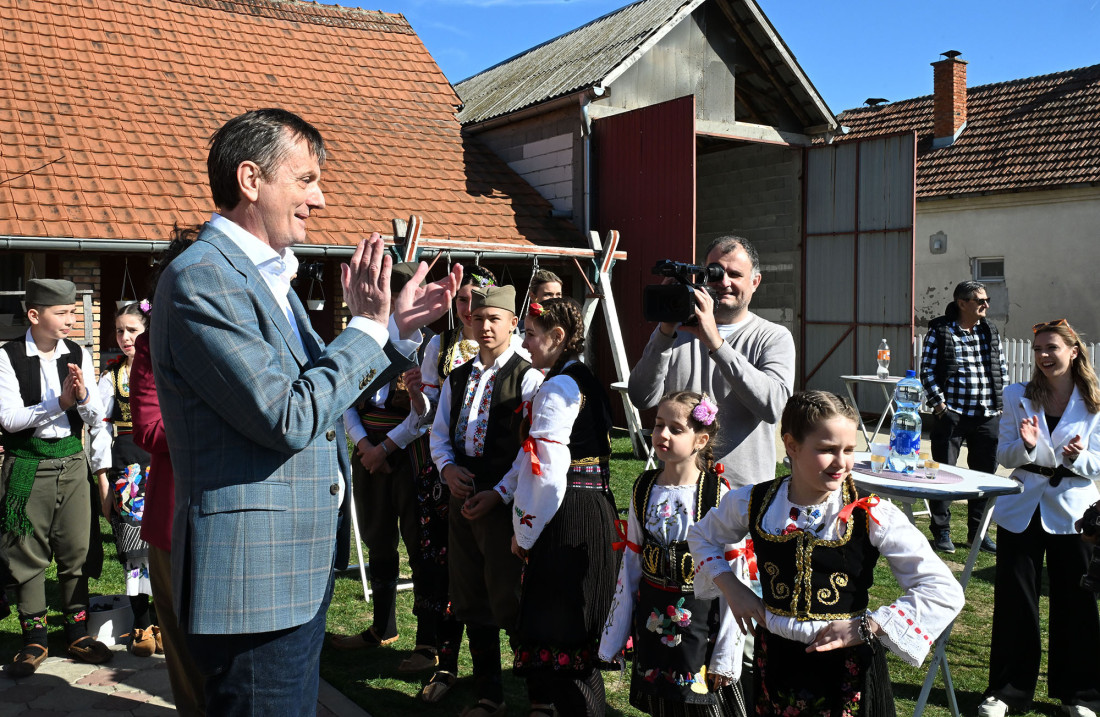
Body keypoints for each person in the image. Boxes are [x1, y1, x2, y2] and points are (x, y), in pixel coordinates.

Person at [150, 108, 461, 714]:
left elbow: (323, 391)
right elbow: (288, 416)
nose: (319, 199)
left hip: (290, 568)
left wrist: (393, 331)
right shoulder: (204, 280)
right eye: (307, 179)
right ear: (250, 179)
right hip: (254, 580)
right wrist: (369, 327)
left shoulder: (267, 278)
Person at [689, 390, 965, 716]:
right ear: (791, 445)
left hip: (846, 669)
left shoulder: (869, 513)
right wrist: (733, 589)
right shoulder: (755, 502)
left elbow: (943, 589)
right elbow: (702, 536)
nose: (841, 462)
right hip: (775, 659)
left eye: (849, 450)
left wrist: (868, 626)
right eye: (827, 450)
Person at [484, 297, 618, 716]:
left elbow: (547, 470)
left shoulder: (559, 386)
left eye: (530, 334)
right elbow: (533, 457)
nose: (525, 344)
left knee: (564, 637)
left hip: (568, 515)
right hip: (589, 505)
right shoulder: (578, 377)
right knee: (573, 639)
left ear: (557, 337)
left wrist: (525, 534)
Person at [429, 284, 542, 717]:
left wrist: (498, 494)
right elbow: (440, 435)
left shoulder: (529, 377)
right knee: (471, 597)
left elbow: (531, 447)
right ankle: (489, 694)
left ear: (514, 323)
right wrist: (447, 469)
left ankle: (538, 696)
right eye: (480, 318)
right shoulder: (457, 377)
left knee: (509, 597)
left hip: (504, 504)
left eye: (496, 318)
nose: (487, 326)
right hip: (462, 501)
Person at [977, 319, 1100, 717]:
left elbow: (1098, 463)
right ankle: (1008, 693)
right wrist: (1027, 447)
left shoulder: (1094, 401)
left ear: (1073, 350)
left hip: (1074, 515)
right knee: (1015, 601)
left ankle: (1081, 696)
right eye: (1038, 350)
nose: (1044, 356)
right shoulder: (1018, 395)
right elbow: (1005, 455)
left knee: (1077, 604)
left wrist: (1078, 457)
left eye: (1052, 348)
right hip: (1022, 510)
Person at [599, 391, 748, 717]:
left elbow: (737, 575)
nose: (662, 435)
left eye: (676, 429)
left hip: (700, 622)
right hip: (653, 620)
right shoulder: (643, 487)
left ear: (700, 439)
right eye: (658, 425)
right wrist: (615, 636)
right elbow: (631, 564)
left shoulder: (717, 494)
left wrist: (725, 654)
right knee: (663, 704)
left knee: (700, 706)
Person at [399, 264, 505, 702]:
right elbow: (431, 417)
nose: (472, 312)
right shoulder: (441, 349)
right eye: (464, 303)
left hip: (498, 489)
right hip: (446, 480)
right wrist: (414, 394)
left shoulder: (517, 364)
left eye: (481, 306)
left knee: (495, 579)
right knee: (444, 572)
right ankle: (445, 664)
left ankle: (509, 681)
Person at [0, 278, 113, 676]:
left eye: (73, 311)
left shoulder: (77, 352)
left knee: (77, 549)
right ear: (34, 315)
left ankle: (78, 633)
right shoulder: (8, 356)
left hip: (71, 463)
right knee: (27, 553)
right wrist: (58, 402)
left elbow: (97, 417)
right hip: (27, 466)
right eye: (62, 312)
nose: (72, 318)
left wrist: (81, 401)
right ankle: (34, 638)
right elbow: (10, 420)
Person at [628, 235, 795, 487]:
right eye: (715, 273)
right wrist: (664, 332)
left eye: (736, 274)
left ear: (755, 282)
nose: (724, 282)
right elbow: (641, 397)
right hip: (679, 488)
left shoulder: (773, 337)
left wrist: (716, 344)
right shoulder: (674, 332)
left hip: (743, 493)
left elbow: (773, 408)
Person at [330, 262, 435, 656]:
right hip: (367, 451)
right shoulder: (361, 340)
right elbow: (345, 399)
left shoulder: (429, 346)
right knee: (377, 538)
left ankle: (427, 640)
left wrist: (385, 448)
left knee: (419, 542)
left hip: (408, 453)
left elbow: (426, 413)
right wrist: (363, 446)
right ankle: (383, 626)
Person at [130, 226, 206, 713]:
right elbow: (149, 430)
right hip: (175, 515)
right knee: (182, 640)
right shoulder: (149, 348)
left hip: (241, 516)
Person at [920, 280, 1007, 554]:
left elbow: (1000, 367)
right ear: (962, 303)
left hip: (987, 415)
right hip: (953, 415)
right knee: (943, 474)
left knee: (984, 476)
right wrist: (941, 407)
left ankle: (977, 534)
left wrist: (1001, 404)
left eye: (987, 300)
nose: (986, 305)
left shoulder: (989, 330)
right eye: (980, 300)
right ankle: (941, 532)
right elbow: (928, 372)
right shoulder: (941, 331)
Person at [95, 301, 157, 657]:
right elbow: (99, 429)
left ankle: (166, 623)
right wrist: (103, 481)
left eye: (132, 330)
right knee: (134, 550)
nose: (125, 337)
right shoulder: (112, 376)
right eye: (120, 330)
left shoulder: (165, 369)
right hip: (128, 469)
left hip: (163, 465)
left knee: (168, 547)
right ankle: (141, 623)